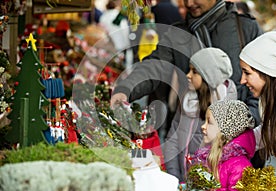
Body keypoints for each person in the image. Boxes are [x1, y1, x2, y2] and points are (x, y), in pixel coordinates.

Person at [110, 0, 264, 167]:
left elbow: (263, 88)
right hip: (189, 136)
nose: (189, 3)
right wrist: (125, 89)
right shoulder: (177, 33)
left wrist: (241, 128)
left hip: (237, 146)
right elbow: (155, 66)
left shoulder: (246, 28)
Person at [164, 47, 237, 182]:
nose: (188, 75)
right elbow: (172, 140)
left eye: (194, 72)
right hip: (180, 180)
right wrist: (174, 177)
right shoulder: (187, 100)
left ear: (209, 78)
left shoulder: (225, 111)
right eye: (189, 69)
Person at [239, 31, 276, 190]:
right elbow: (270, 128)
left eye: (247, 73)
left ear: (267, 73)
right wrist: (235, 146)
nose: (242, 80)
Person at [192, 99, 255, 190]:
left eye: (209, 122)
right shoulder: (208, 156)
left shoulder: (240, 167)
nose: (203, 126)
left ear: (225, 129)